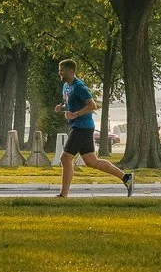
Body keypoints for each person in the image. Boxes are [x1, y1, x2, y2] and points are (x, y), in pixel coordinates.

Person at [55, 59, 135, 198]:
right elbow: (70, 101)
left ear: (71, 71)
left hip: (82, 127)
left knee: (65, 158)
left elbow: (92, 105)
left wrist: (75, 115)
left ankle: (63, 195)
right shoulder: (66, 86)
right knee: (92, 161)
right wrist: (62, 107)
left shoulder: (79, 86)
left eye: (62, 70)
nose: (59, 73)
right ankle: (126, 178)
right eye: (59, 70)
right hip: (79, 127)